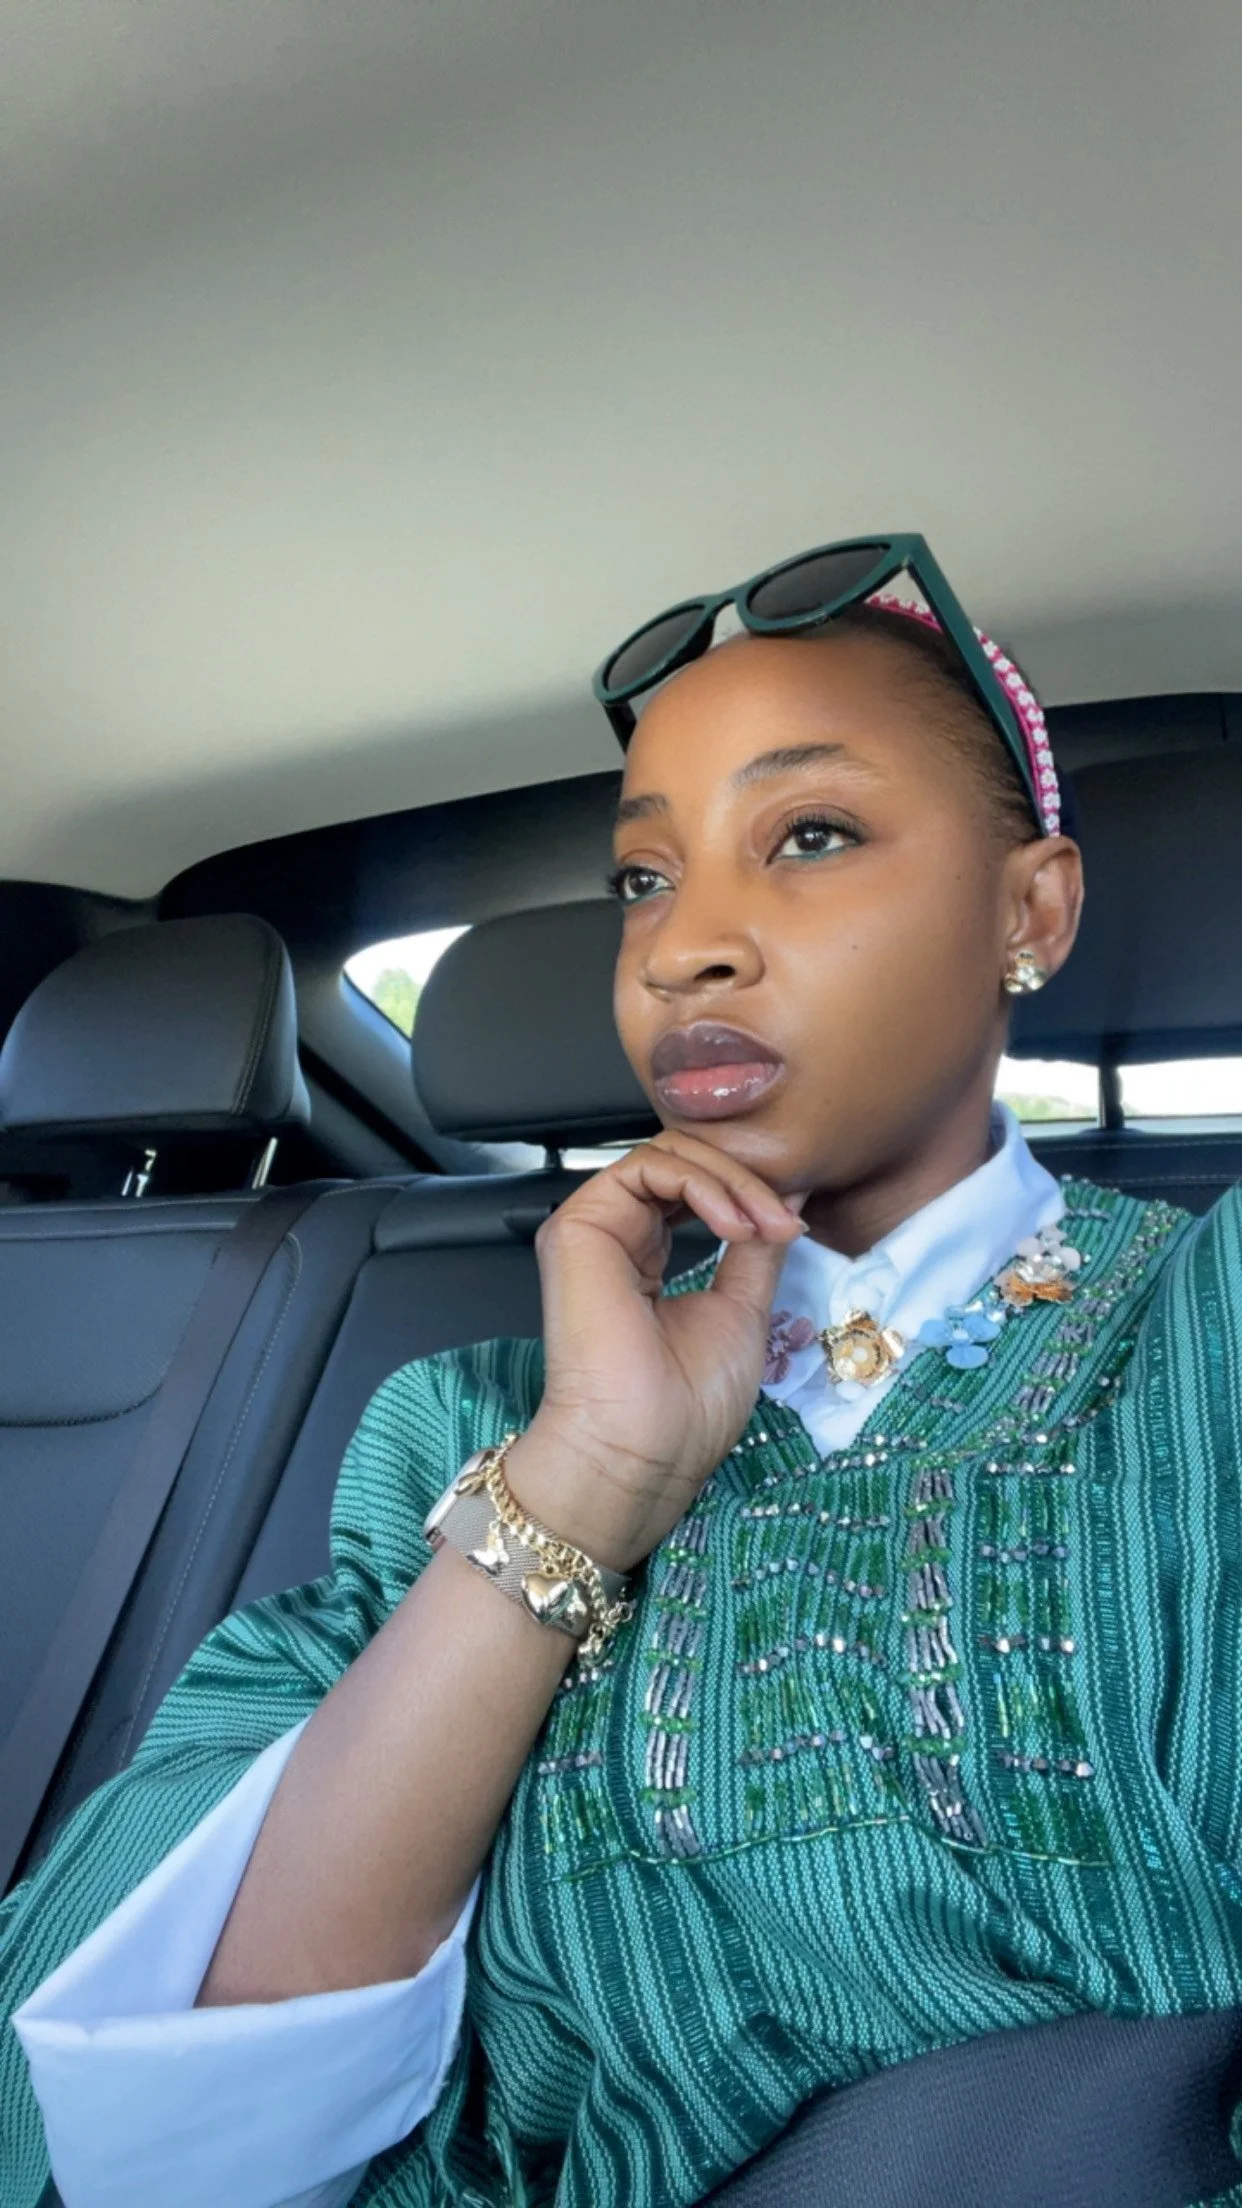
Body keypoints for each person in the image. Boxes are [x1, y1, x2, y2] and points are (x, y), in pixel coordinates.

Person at [4, 538, 1242, 2208]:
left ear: (1028, 908)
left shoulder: (1210, 1326)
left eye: (809, 835)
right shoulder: (457, 1428)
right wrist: (583, 1483)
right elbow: (189, 2137)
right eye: (644, 880)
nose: (682, 950)